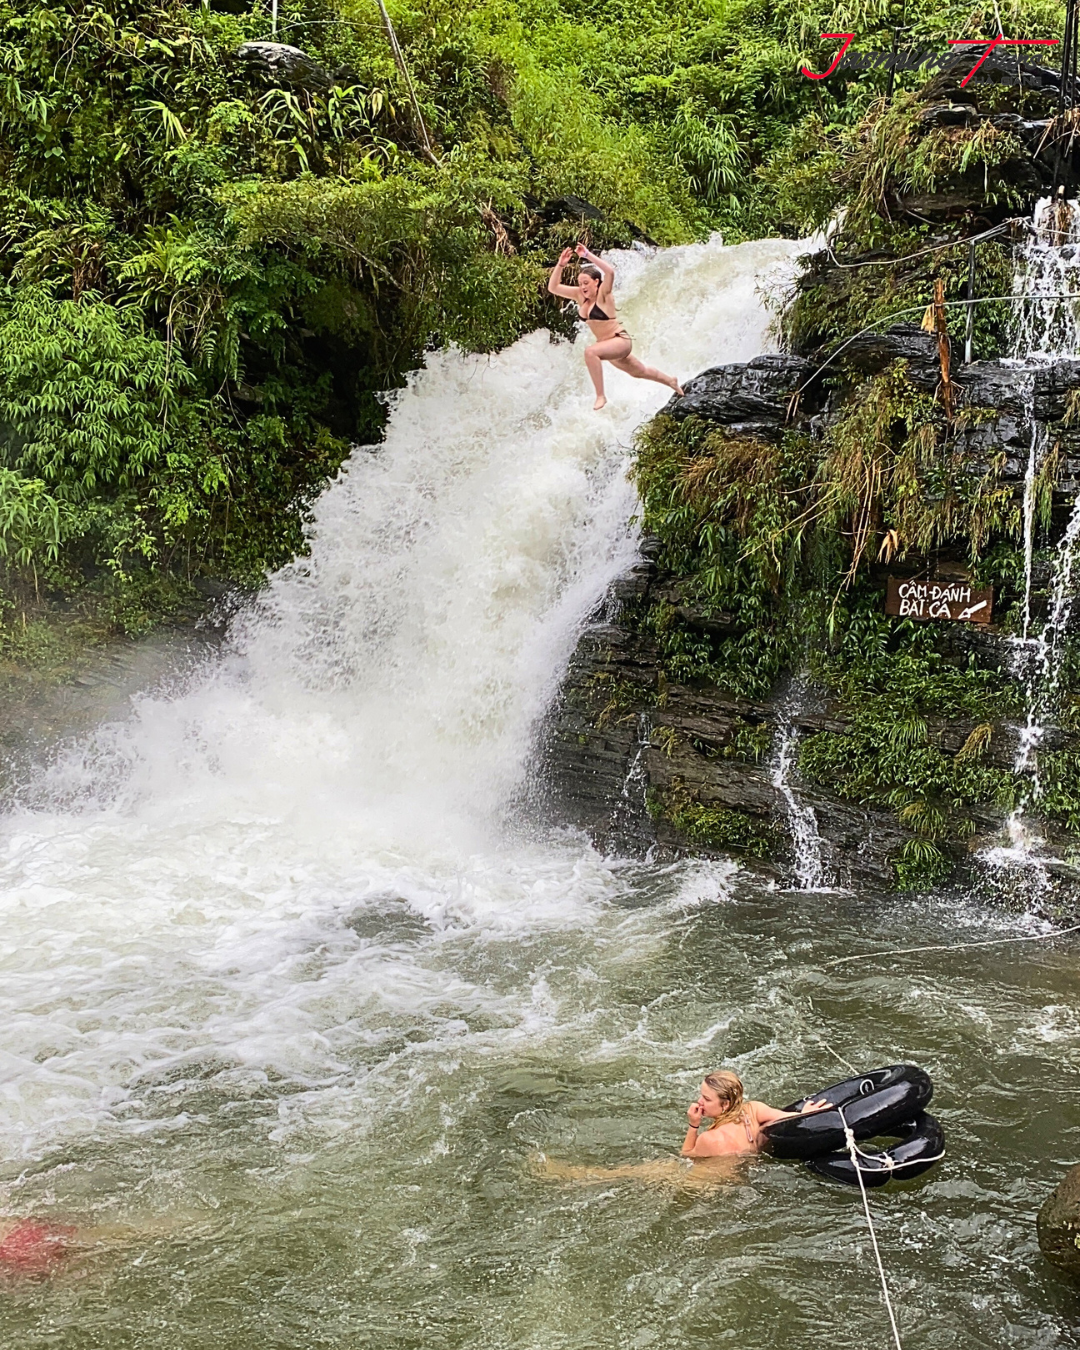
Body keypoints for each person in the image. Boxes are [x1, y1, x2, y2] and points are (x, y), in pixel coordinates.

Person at [531, 1069, 828, 1185]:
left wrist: (693, 1124)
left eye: (706, 1098)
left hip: (704, 1181)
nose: (700, 1101)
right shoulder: (755, 1110)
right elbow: (783, 1119)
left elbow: (687, 1155)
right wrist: (807, 1110)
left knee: (626, 1175)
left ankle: (566, 1175)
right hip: (736, 1177)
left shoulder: (714, 1138)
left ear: (724, 1105)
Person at [547, 243, 684, 411]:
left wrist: (587, 255)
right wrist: (560, 265)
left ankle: (600, 396)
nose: (582, 287)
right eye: (580, 283)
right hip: (609, 348)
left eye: (586, 283)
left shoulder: (604, 295)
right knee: (639, 371)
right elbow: (553, 287)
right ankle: (671, 381)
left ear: (596, 282)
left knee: (590, 352)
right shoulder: (579, 296)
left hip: (619, 341)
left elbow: (610, 272)